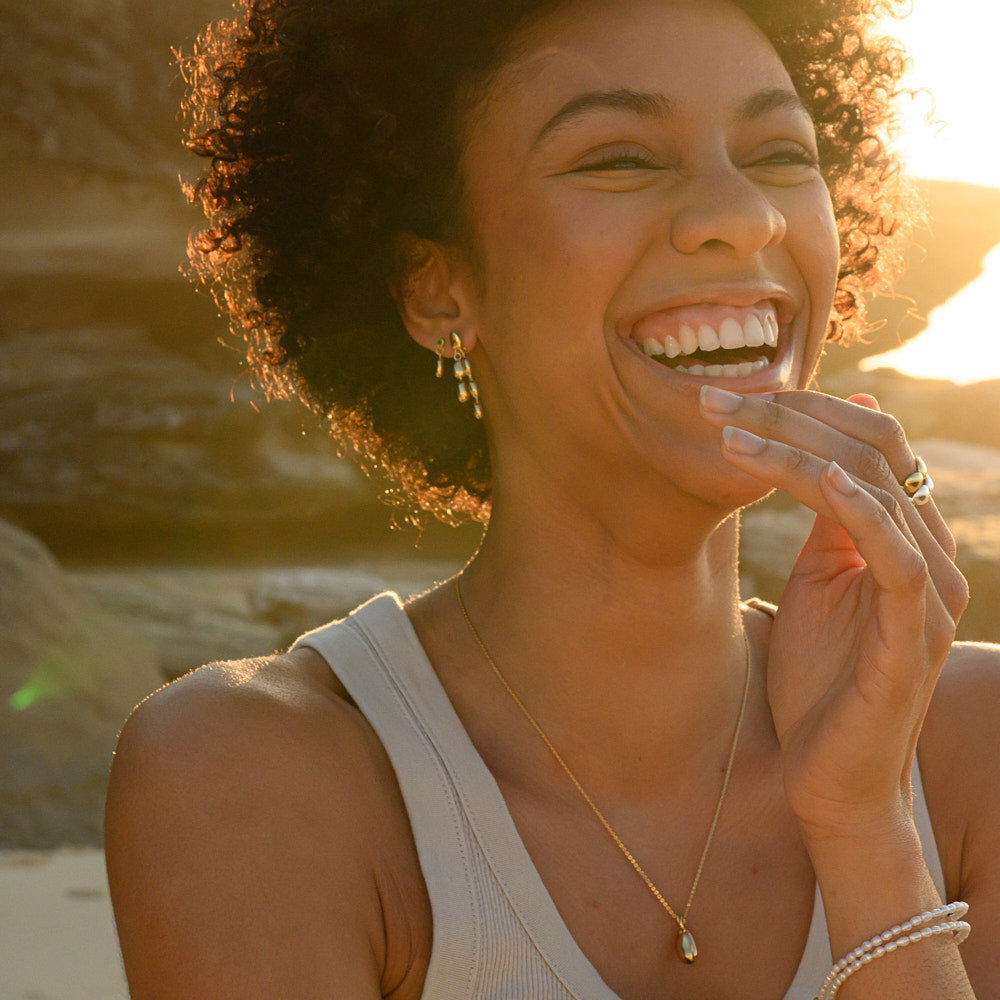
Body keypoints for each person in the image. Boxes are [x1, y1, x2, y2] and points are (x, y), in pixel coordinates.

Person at [105, 0, 1000, 996]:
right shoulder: (254, 775)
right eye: (619, 158)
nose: (744, 214)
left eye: (779, 153)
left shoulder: (970, 746)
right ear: (437, 289)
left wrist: (865, 828)